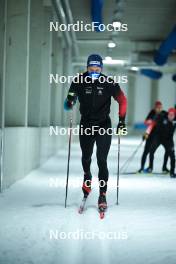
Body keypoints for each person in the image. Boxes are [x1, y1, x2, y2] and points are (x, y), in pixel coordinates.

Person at [64, 54, 127, 210]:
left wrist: (121, 122)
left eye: (97, 68)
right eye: (91, 69)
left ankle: (102, 194)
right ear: (87, 67)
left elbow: (122, 100)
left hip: (103, 125)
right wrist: (69, 102)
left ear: (101, 68)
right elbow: (69, 100)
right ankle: (87, 176)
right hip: (86, 124)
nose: (94, 71)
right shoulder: (79, 81)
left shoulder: (107, 82)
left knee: (101, 160)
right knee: (86, 157)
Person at [138, 101, 167, 173]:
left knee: (166, 151)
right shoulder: (152, 113)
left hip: (160, 136)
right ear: (155, 108)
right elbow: (146, 122)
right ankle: (142, 168)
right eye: (157, 108)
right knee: (146, 152)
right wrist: (146, 134)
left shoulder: (164, 113)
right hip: (151, 136)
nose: (159, 109)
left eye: (160, 108)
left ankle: (159, 168)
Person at [148, 108, 176, 178]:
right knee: (151, 151)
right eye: (170, 115)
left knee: (172, 156)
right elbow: (152, 124)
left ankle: (171, 172)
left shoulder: (174, 121)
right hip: (158, 138)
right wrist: (146, 133)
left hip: (168, 140)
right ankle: (150, 167)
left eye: (172, 115)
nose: (171, 116)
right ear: (168, 114)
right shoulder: (162, 117)